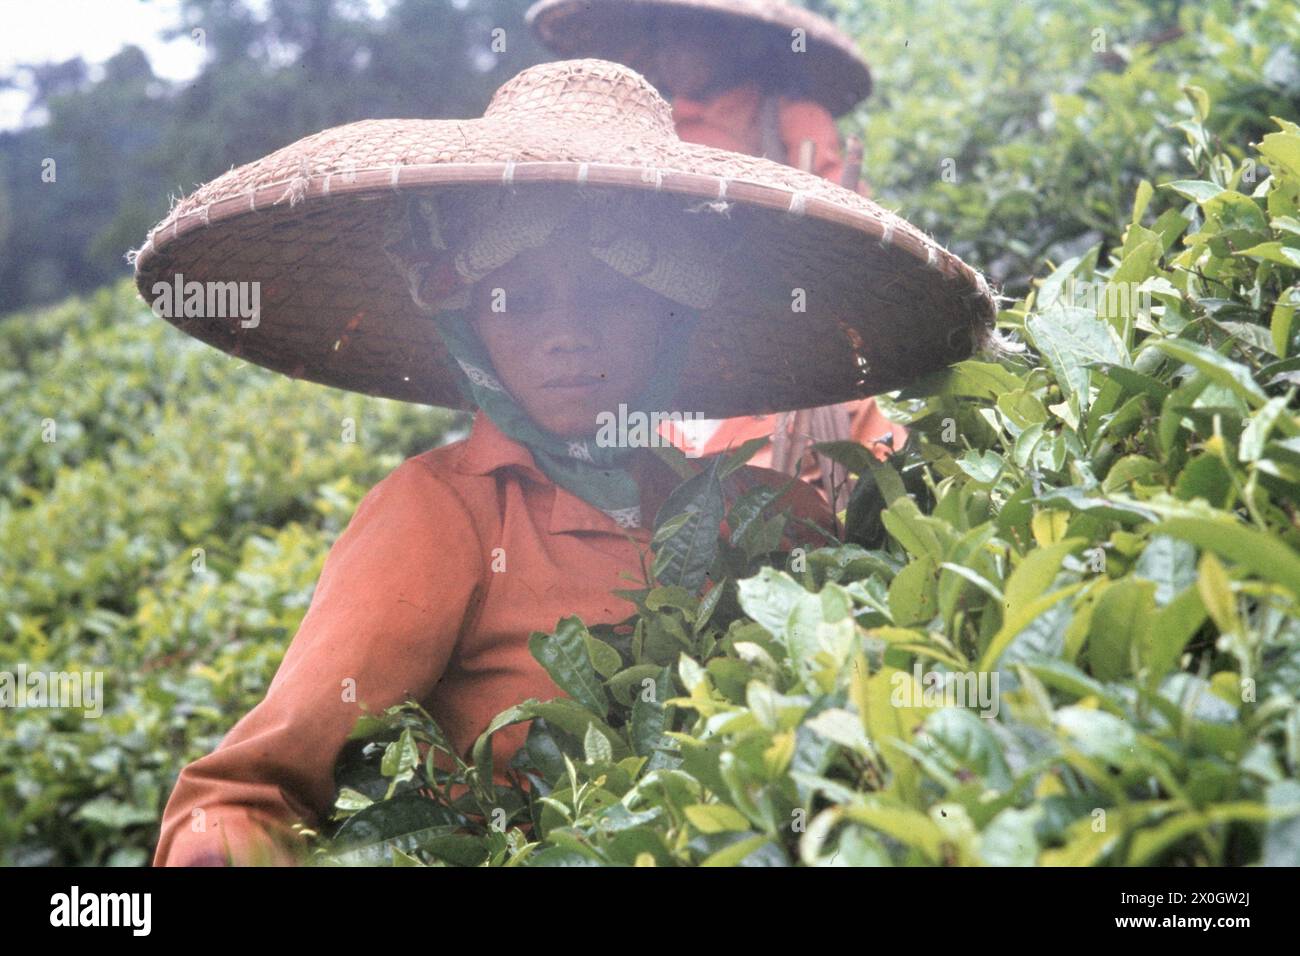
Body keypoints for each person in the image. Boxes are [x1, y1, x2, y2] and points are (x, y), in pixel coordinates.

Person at [133, 59, 995, 866]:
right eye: (519, 301)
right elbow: (250, 789)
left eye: (612, 295)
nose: (566, 335)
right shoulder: (442, 513)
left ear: (673, 315)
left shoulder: (760, 512)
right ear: (468, 324)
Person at [526, 0, 906, 510]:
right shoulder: (654, 126)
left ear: (736, 43)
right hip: (682, 305)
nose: (673, 53)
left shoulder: (788, 116)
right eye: (664, 40)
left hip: (782, 307)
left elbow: (845, 217)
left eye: (689, 37)